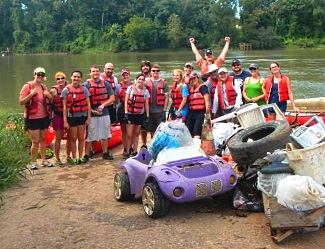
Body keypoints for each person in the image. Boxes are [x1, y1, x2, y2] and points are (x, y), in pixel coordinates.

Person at [19, 67, 53, 169]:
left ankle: (44, 160)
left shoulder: (44, 87)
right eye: (38, 74)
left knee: (43, 140)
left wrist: (49, 96)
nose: (40, 76)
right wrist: (31, 94)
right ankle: (33, 162)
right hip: (31, 118)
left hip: (44, 117)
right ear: (34, 74)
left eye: (42, 75)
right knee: (35, 141)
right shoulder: (27, 86)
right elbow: (21, 102)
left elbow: (50, 101)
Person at [84, 65, 115, 160]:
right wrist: (92, 111)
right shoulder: (86, 85)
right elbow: (83, 100)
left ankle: (105, 153)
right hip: (92, 114)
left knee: (105, 134)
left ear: (100, 72)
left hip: (104, 113)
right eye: (93, 71)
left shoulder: (106, 84)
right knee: (90, 135)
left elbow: (112, 98)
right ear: (90, 73)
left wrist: (103, 105)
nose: (95, 73)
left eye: (97, 71)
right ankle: (87, 154)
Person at [61, 70, 91, 164]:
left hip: (82, 116)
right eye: (74, 76)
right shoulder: (66, 90)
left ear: (80, 78)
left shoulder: (84, 89)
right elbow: (65, 107)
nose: (76, 78)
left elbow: (88, 105)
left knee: (81, 137)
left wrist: (88, 117)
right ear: (71, 77)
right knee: (73, 138)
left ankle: (80, 156)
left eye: (78, 77)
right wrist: (65, 121)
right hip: (72, 116)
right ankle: (74, 157)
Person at [142, 64, 169, 146]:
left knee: (161, 130)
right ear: (151, 71)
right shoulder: (146, 83)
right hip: (149, 111)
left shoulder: (164, 83)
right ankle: (150, 145)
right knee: (151, 130)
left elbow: (167, 97)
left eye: (157, 71)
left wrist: (164, 110)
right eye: (153, 71)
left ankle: (160, 145)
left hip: (160, 111)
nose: (155, 72)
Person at [124, 73, 150, 158]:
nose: (141, 81)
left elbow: (146, 104)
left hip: (140, 114)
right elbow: (126, 101)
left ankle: (135, 151)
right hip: (130, 114)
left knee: (136, 133)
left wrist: (147, 115)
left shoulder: (145, 91)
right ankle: (127, 150)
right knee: (129, 134)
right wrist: (126, 113)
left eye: (142, 79)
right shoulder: (130, 88)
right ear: (136, 80)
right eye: (139, 79)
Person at [50, 71, 71, 165]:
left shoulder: (69, 88)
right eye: (58, 79)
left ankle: (68, 156)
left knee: (70, 137)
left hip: (69, 115)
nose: (60, 80)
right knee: (58, 138)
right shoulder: (53, 91)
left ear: (65, 79)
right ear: (56, 80)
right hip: (58, 115)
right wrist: (50, 119)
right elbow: (49, 106)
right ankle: (57, 158)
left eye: (62, 78)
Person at [186, 73, 210, 138]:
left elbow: (207, 100)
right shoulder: (190, 89)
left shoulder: (203, 87)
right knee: (187, 129)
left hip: (201, 112)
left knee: (196, 130)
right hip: (192, 112)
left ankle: (197, 143)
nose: (193, 80)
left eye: (194, 78)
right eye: (191, 79)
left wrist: (207, 113)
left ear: (197, 78)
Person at [117, 69, 134, 158]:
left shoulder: (134, 85)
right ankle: (125, 148)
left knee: (130, 131)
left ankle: (130, 147)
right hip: (122, 108)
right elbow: (115, 99)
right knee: (123, 130)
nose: (125, 77)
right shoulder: (118, 86)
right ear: (121, 76)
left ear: (129, 75)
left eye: (127, 75)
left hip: (131, 108)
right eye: (123, 75)